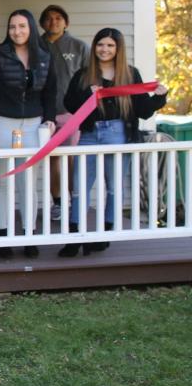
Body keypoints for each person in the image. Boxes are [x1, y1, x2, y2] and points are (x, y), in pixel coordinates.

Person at [59, 28, 167, 257]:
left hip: (118, 134)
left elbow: (143, 110)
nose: (104, 49)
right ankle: (74, 236)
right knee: (79, 186)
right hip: (89, 135)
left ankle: (104, 235)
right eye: (100, 44)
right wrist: (88, 94)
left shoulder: (130, 74)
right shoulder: (83, 75)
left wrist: (160, 97)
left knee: (114, 187)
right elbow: (70, 104)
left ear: (118, 49)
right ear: (95, 47)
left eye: (110, 45)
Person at [0, 9, 56, 259]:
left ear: (30, 28)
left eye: (21, 26)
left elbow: (51, 91)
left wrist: (49, 118)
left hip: (32, 123)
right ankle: (3, 234)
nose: (16, 31)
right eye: (12, 27)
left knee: (28, 181)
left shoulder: (44, 55)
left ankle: (29, 234)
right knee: (2, 180)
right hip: (2, 121)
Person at [40, 5, 89, 221]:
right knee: (51, 159)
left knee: (70, 159)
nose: (54, 22)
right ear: (42, 23)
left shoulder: (78, 47)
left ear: (66, 22)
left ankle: (73, 200)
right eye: (49, 19)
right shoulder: (36, 45)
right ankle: (58, 202)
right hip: (45, 113)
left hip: (72, 113)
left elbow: (90, 78)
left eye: (58, 18)